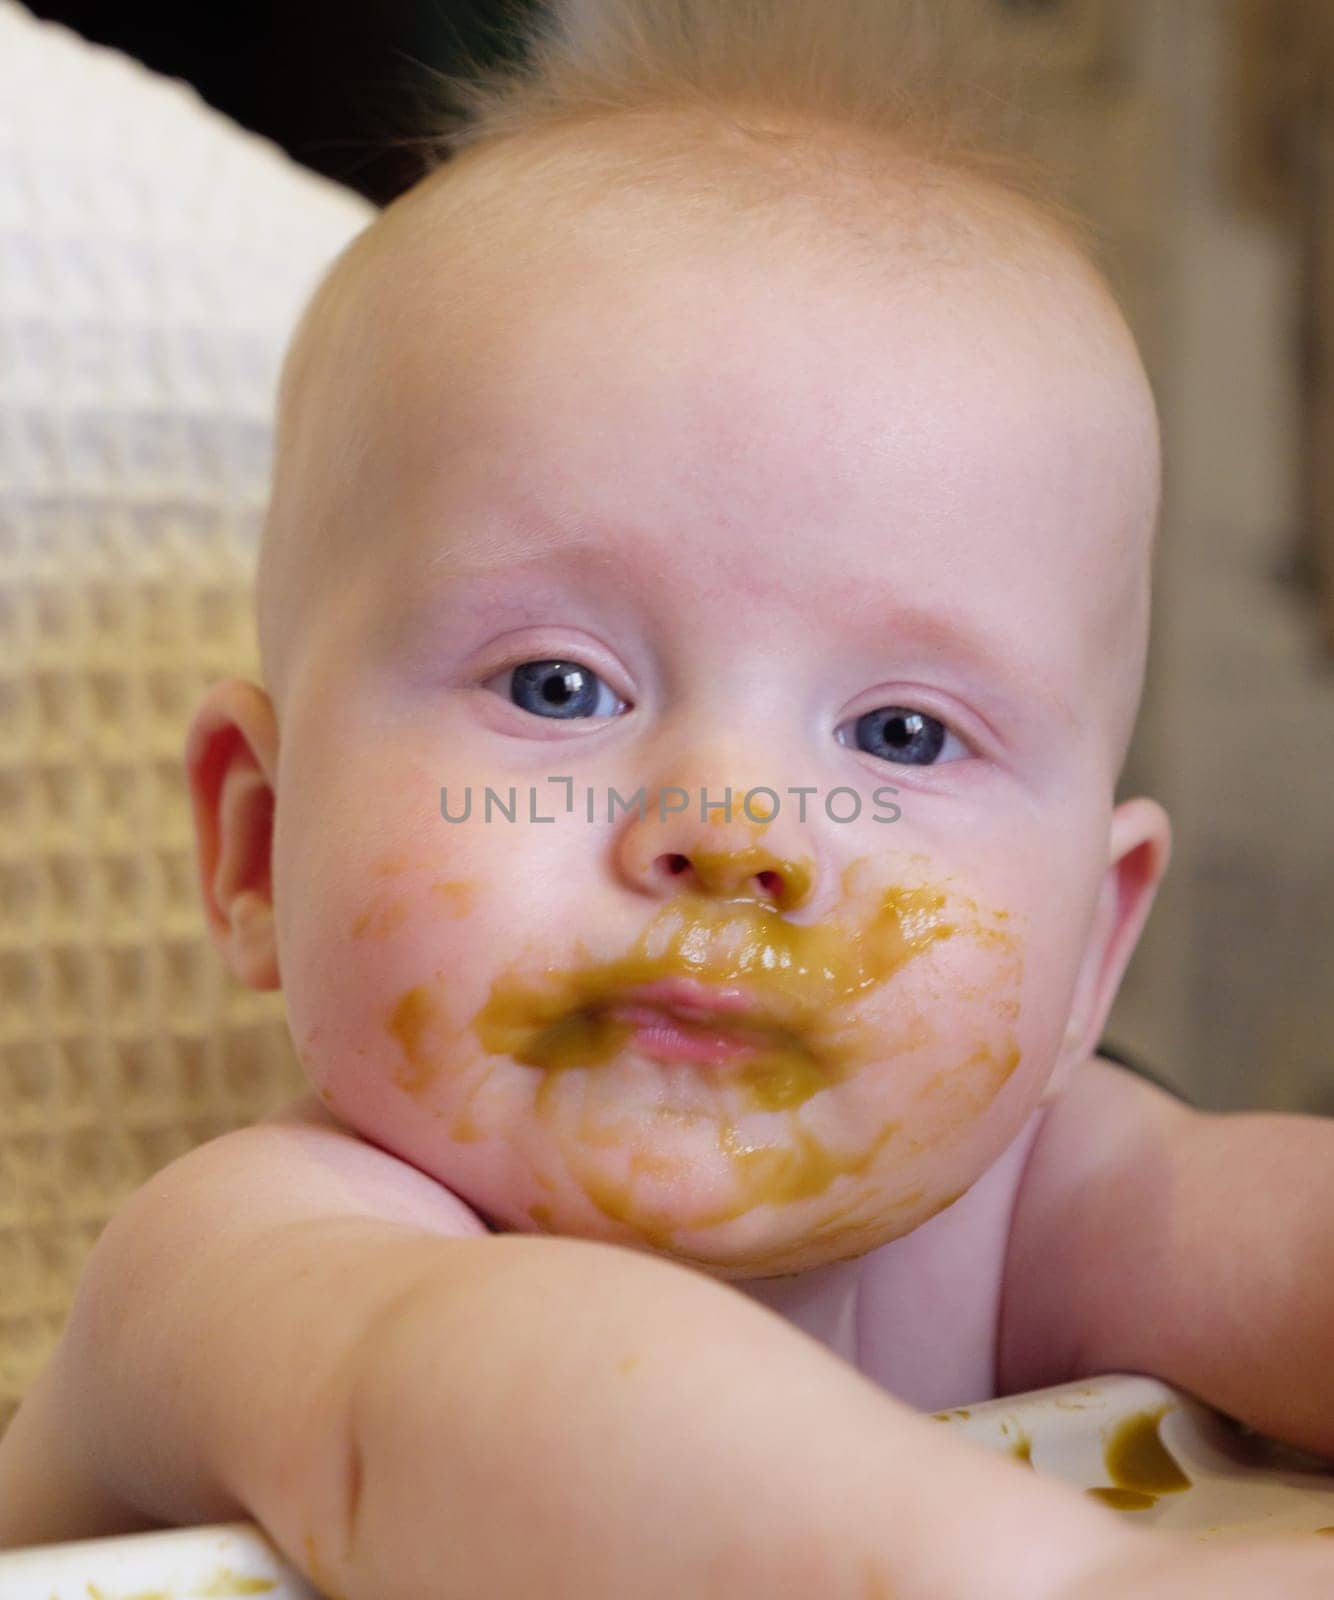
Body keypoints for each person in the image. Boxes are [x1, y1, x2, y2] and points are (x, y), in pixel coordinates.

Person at [2, 2, 1332, 1594]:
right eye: (558, 687)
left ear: (1089, 961)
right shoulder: (246, 1260)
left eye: (902, 735)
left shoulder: (1038, 1207)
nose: (738, 831)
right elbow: (468, 1400)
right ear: (254, 840)